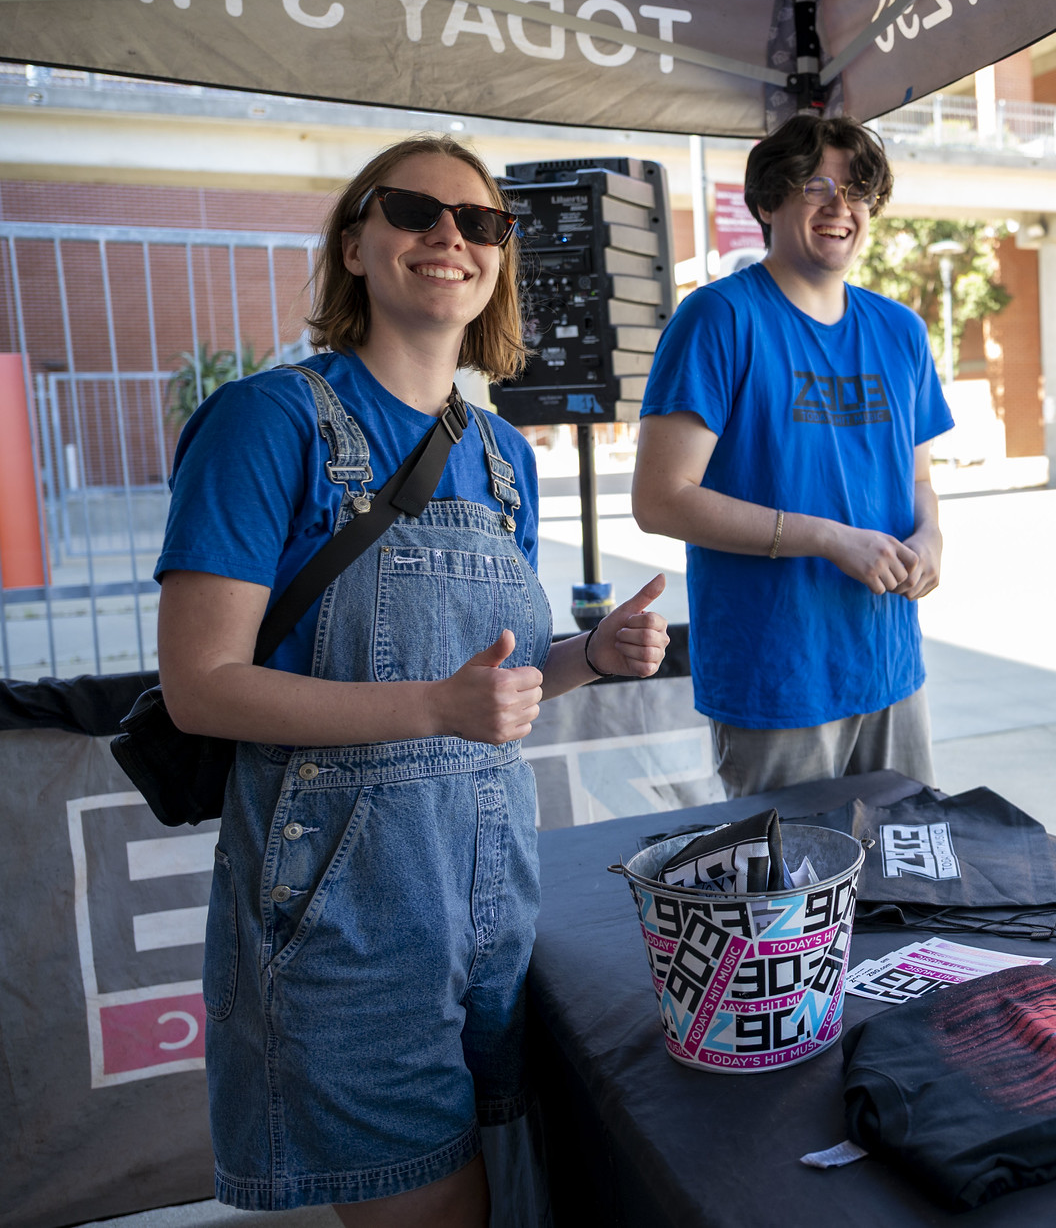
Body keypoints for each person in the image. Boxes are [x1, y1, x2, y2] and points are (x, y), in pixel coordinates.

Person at [155, 134, 670, 1226]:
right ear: (355, 243)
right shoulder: (268, 423)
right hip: (343, 916)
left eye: (481, 224)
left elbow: (500, 685)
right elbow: (201, 685)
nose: (450, 237)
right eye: (413, 211)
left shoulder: (500, 455)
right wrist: (434, 706)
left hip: (491, 900)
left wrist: (589, 659)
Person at [633, 115, 952, 794]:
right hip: (776, 674)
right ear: (767, 201)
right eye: (817, 186)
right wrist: (827, 538)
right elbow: (661, 498)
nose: (842, 207)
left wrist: (930, 536)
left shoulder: (900, 331)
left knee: (910, 885)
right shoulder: (720, 318)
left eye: (859, 190)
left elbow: (917, 477)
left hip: (890, 664)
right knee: (792, 894)